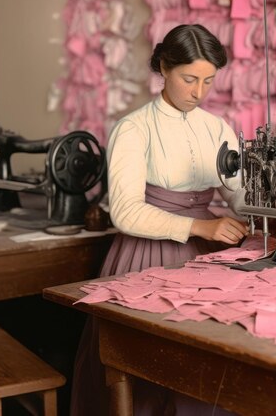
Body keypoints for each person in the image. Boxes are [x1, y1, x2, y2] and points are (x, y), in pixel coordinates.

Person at [70, 24, 248, 416]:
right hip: (147, 254)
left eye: (208, 81)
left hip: (205, 256)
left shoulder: (217, 128)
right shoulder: (134, 129)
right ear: (165, 67)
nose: (199, 91)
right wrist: (201, 227)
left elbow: (235, 192)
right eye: (189, 79)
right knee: (149, 372)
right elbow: (126, 211)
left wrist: (267, 212)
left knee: (206, 364)